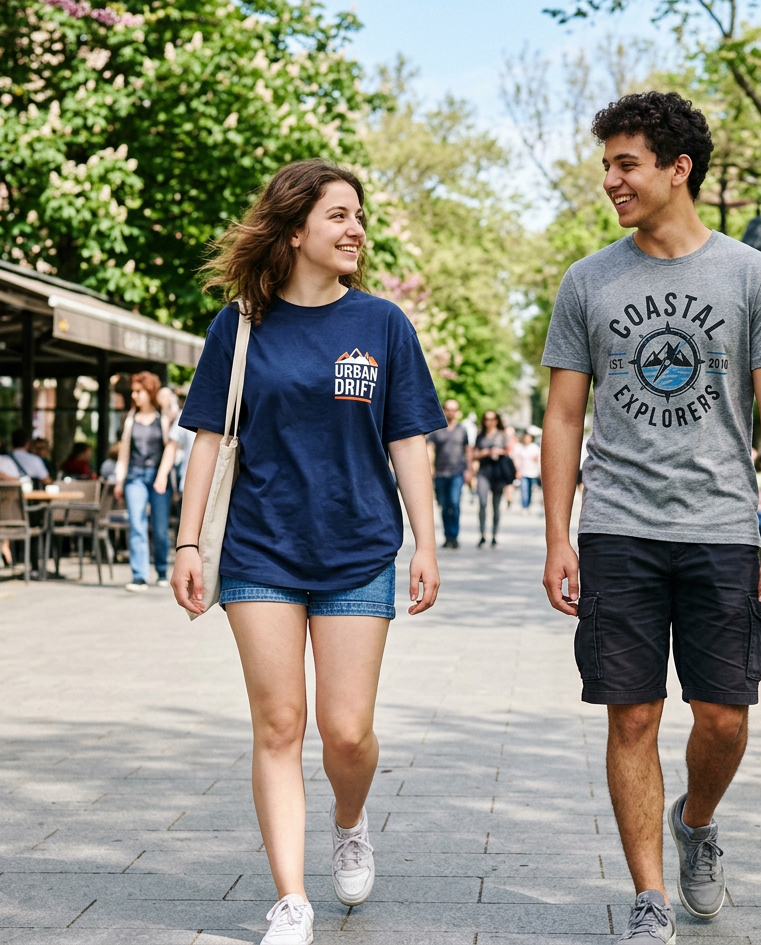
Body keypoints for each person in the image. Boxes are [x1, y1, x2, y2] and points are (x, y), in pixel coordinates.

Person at [540, 91, 761, 944]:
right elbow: (563, 418)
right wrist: (556, 536)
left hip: (724, 526)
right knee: (633, 715)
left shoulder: (750, 275)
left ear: (677, 168)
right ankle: (648, 896)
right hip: (618, 525)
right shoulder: (588, 280)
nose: (610, 179)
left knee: (725, 716)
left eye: (627, 163)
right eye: (607, 163)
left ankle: (696, 819)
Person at [170, 159, 445, 945]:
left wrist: (425, 542)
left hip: (359, 550)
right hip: (260, 549)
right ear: (295, 231)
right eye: (337, 215)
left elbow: (409, 439)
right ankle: (291, 900)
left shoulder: (383, 324)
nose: (355, 228)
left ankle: (350, 820)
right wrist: (189, 542)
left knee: (346, 731)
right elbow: (209, 440)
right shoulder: (241, 325)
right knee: (279, 722)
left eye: (358, 215)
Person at [114, 371, 177, 592]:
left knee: (159, 528)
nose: (134, 395)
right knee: (137, 525)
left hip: (157, 476)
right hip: (135, 476)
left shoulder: (163, 418)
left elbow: (172, 446)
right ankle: (139, 575)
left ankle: (161, 570)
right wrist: (119, 479)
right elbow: (124, 451)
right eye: (133, 391)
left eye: (139, 391)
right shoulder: (130, 419)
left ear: (149, 392)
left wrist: (163, 474)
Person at [426, 398, 472, 548]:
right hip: (440, 472)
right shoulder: (437, 429)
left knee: (454, 503)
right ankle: (447, 536)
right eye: (448, 409)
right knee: (444, 505)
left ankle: (454, 535)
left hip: (457, 472)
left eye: (454, 409)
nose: (451, 412)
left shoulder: (462, 430)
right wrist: (430, 467)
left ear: (457, 412)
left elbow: (467, 450)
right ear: (444, 410)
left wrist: (470, 470)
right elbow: (430, 449)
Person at [473, 411, 509, 547]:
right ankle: (482, 534)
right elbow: (474, 454)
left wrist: (499, 452)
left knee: (496, 506)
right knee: (482, 503)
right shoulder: (480, 435)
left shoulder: (502, 435)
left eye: (493, 419)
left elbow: (509, 451)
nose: (490, 421)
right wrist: (485, 453)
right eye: (487, 419)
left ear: (497, 420)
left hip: (498, 473)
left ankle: (494, 535)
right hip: (483, 472)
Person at [511, 431, 541, 510]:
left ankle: (528, 504)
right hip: (523, 472)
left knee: (530, 490)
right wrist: (517, 470)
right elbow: (515, 459)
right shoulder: (518, 447)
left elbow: (540, 459)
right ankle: (524, 506)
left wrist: (536, 460)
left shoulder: (535, 447)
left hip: (533, 472)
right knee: (524, 489)